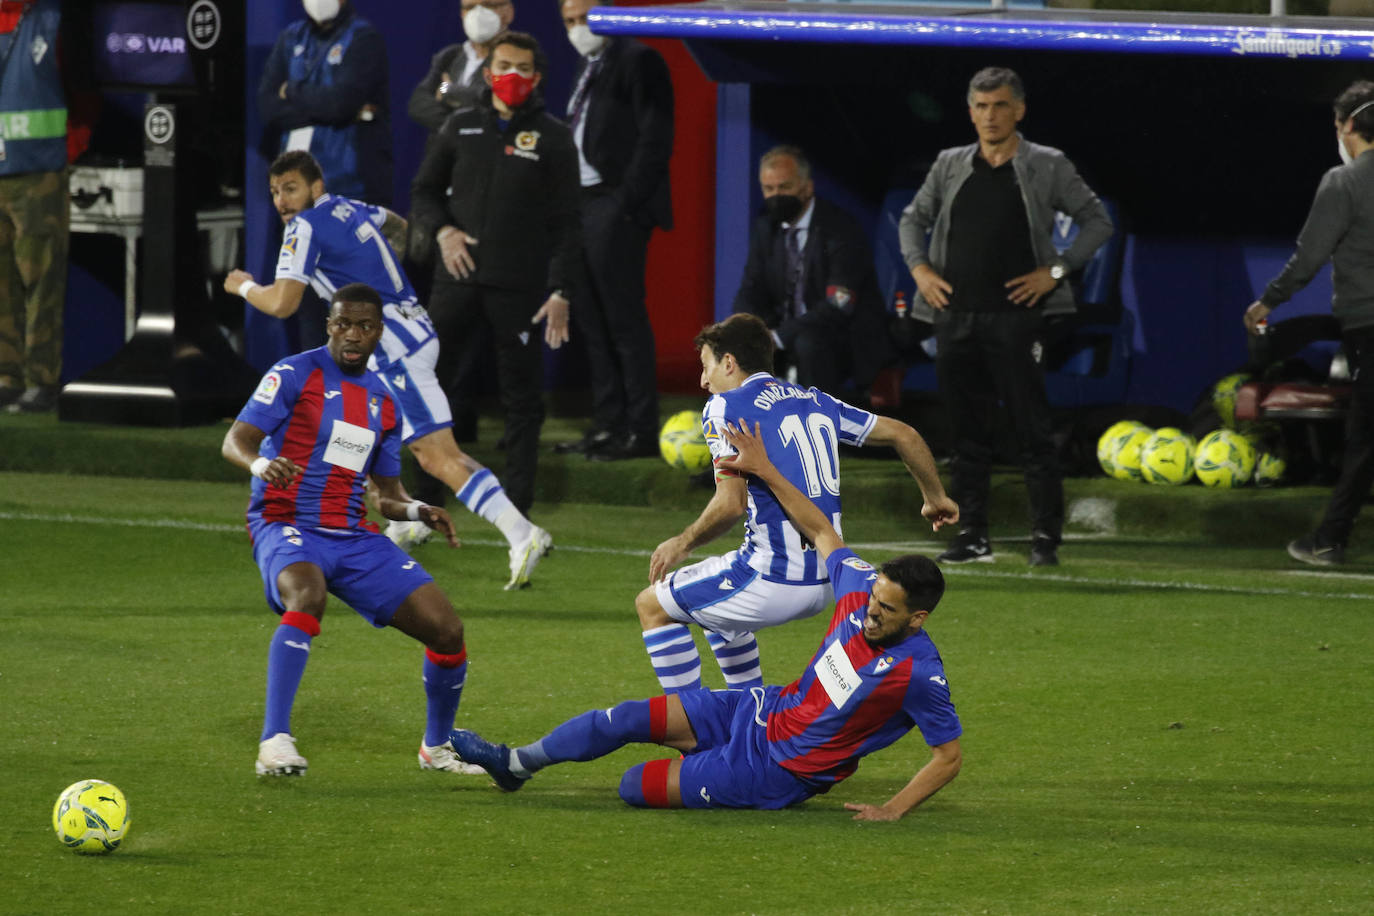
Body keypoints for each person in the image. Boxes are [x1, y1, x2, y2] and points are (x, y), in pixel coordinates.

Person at [448, 420, 962, 818]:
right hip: (759, 708)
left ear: (917, 619)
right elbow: (821, 530)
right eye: (874, 598)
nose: (871, 612)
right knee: (625, 717)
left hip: (776, 770)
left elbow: (948, 757)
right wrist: (763, 469)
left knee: (635, 786)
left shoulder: (918, 672)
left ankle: (712, 776)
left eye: (887, 610)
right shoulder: (859, 591)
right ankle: (515, 764)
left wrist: (893, 808)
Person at [223, 150, 552, 590]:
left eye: (291, 189)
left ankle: (521, 532)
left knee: (436, 454)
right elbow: (398, 227)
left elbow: (283, 303)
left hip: (391, 345)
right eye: (276, 192)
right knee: (353, 439)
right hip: (398, 335)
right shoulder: (349, 207)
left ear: (315, 187)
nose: (282, 201)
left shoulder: (305, 226)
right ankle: (405, 521)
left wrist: (242, 286)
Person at [221, 284, 481, 778]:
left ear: (378, 332)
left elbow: (386, 495)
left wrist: (419, 510)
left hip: (354, 536)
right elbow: (236, 440)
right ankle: (274, 741)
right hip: (286, 523)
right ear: (329, 325)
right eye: (343, 324)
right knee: (307, 594)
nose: (352, 335)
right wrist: (260, 465)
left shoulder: (383, 401)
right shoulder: (295, 374)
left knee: (448, 631)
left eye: (364, 326)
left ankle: (437, 747)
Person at [635, 313, 957, 695]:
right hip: (827, 579)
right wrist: (935, 497)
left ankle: (691, 725)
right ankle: (746, 718)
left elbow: (731, 504)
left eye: (706, 367)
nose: (704, 381)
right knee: (720, 616)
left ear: (728, 363)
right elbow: (904, 434)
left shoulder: (725, 407)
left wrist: (682, 542)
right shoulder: (815, 400)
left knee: (651, 605)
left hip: (773, 577)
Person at [899, 67, 1112, 567]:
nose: (988, 116)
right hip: (955, 318)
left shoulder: (1047, 165)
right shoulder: (951, 163)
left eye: (998, 106)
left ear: (1018, 109)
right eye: (979, 106)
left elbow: (1097, 222)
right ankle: (972, 534)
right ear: (969, 111)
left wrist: (1054, 270)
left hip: (1017, 320)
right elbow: (913, 219)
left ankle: (1044, 539)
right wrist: (921, 270)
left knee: (1031, 428)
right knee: (965, 431)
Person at [410, 31, 580, 515]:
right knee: (430, 382)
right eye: (504, 66)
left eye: (523, 69)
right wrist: (443, 231)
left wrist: (562, 288)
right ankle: (424, 503)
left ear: (537, 77)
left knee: (523, 400)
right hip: (456, 280)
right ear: (487, 73)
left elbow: (569, 222)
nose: (512, 76)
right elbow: (423, 191)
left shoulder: (553, 137)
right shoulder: (459, 126)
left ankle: (517, 507)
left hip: (520, 287)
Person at [1246, 81, 1374, 567]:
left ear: (1347, 127)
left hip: (1369, 328)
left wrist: (1266, 303)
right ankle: (1329, 538)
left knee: (1365, 439)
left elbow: (1309, 257)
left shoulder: (1342, 182)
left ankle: (1328, 540)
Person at [551, 0, 673, 461]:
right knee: (592, 322)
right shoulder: (589, 65)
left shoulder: (639, 60)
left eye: (586, 17)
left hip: (613, 202)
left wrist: (625, 202)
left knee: (623, 320)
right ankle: (607, 425)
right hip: (581, 203)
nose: (578, 28)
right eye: (569, 21)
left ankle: (640, 430)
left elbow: (656, 137)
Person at [732, 146, 889, 396]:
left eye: (784, 187)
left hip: (843, 337)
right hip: (789, 333)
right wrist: (748, 331)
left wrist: (780, 337)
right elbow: (750, 289)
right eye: (768, 189)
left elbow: (840, 304)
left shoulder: (841, 228)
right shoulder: (766, 228)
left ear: (807, 187)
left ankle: (819, 428)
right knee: (740, 336)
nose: (775, 196)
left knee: (808, 343)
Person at [259, 0, 392, 208]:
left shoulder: (363, 37)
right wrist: (330, 111)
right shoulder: (291, 37)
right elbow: (268, 106)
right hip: (296, 184)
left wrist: (292, 90)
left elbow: (340, 104)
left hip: (349, 182)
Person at [0, 0, 67, 414]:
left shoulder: (52, 18)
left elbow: (82, 89)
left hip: (38, 172)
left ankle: (41, 381)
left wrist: (68, 151)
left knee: (41, 282)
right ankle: (6, 377)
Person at [407, 0, 516, 136]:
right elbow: (419, 101)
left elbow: (494, 101)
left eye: (488, 5)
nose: (478, 14)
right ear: (462, 14)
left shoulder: (520, 59)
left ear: (508, 12)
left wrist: (449, 91)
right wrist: (459, 127)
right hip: (446, 154)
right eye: (470, 7)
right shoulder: (450, 56)